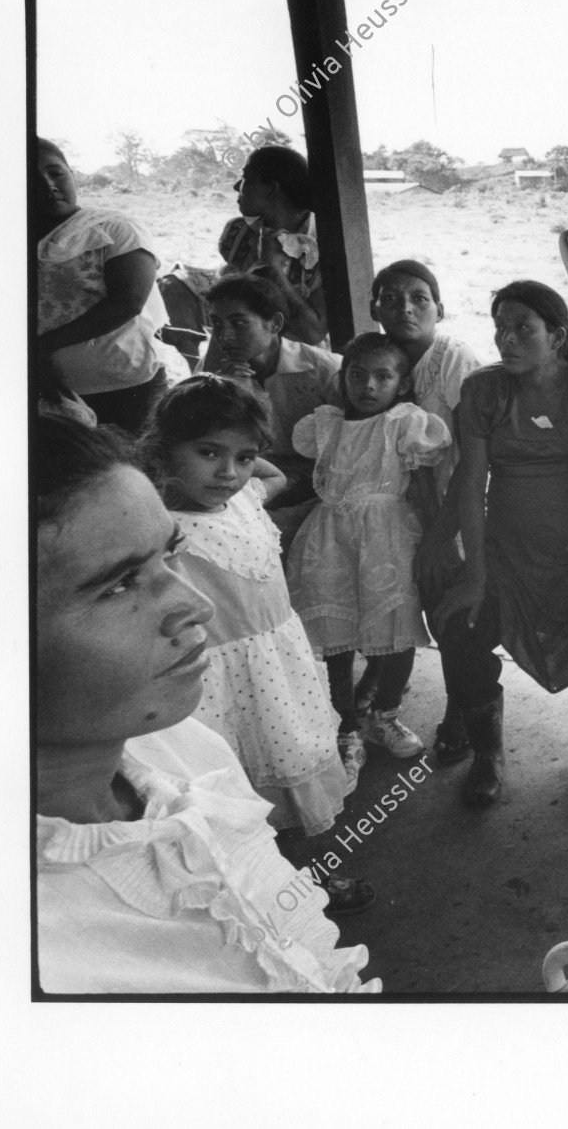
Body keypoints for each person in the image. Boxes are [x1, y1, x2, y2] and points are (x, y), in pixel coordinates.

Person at [34, 413, 378, 992]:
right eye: (117, 585)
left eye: (168, 556)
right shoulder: (50, 960)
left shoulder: (184, 749)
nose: (196, 605)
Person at [139, 375, 372, 914]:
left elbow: (269, 474)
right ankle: (258, 895)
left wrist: (247, 467)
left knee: (291, 785)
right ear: (163, 448)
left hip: (278, 675)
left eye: (244, 457)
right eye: (208, 452)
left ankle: (304, 879)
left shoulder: (246, 495)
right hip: (216, 690)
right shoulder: (161, 528)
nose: (228, 472)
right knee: (238, 801)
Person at [427, 281, 568, 808]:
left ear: (558, 336)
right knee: (459, 625)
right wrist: (475, 572)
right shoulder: (483, 390)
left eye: (523, 328)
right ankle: (489, 754)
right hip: (506, 552)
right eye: (500, 327)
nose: (506, 339)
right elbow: (471, 482)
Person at [286, 333, 450, 771]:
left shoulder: (404, 423)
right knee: (335, 633)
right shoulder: (325, 425)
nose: (369, 386)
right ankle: (345, 723)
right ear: (343, 378)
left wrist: (437, 538)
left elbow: (421, 485)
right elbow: (313, 478)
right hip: (330, 540)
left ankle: (386, 714)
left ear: (402, 383)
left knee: (394, 627)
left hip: (386, 538)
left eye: (383, 376)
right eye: (358, 375)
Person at [371, 259, 487, 760]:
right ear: (374, 306)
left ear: (440, 308)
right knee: (399, 605)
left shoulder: (454, 360)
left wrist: (443, 533)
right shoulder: (380, 358)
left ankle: (462, 712)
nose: (406, 308)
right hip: (404, 508)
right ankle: (379, 694)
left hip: (455, 508)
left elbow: (473, 459)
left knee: (452, 618)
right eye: (391, 297)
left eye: (420, 298)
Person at [33, 137, 170, 433]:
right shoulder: (7, 238)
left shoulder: (113, 228)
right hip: (51, 389)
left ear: (71, 173)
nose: (48, 185)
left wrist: (44, 346)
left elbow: (128, 302)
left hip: (125, 384)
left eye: (56, 173)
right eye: (32, 177)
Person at [200, 273, 342, 540]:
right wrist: (230, 390)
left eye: (239, 323)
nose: (225, 336)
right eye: (217, 324)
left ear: (275, 323)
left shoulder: (326, 370)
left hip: (320, 484)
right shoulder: (215, 376)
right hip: (254, 477)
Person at [217, 146, 329, 345]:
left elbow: (312, 334)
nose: (236, 186)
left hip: (303, 361)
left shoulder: (323, 243)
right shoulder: (237, 234)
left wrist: (272, 268)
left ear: (271, 188)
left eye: (246, 178)